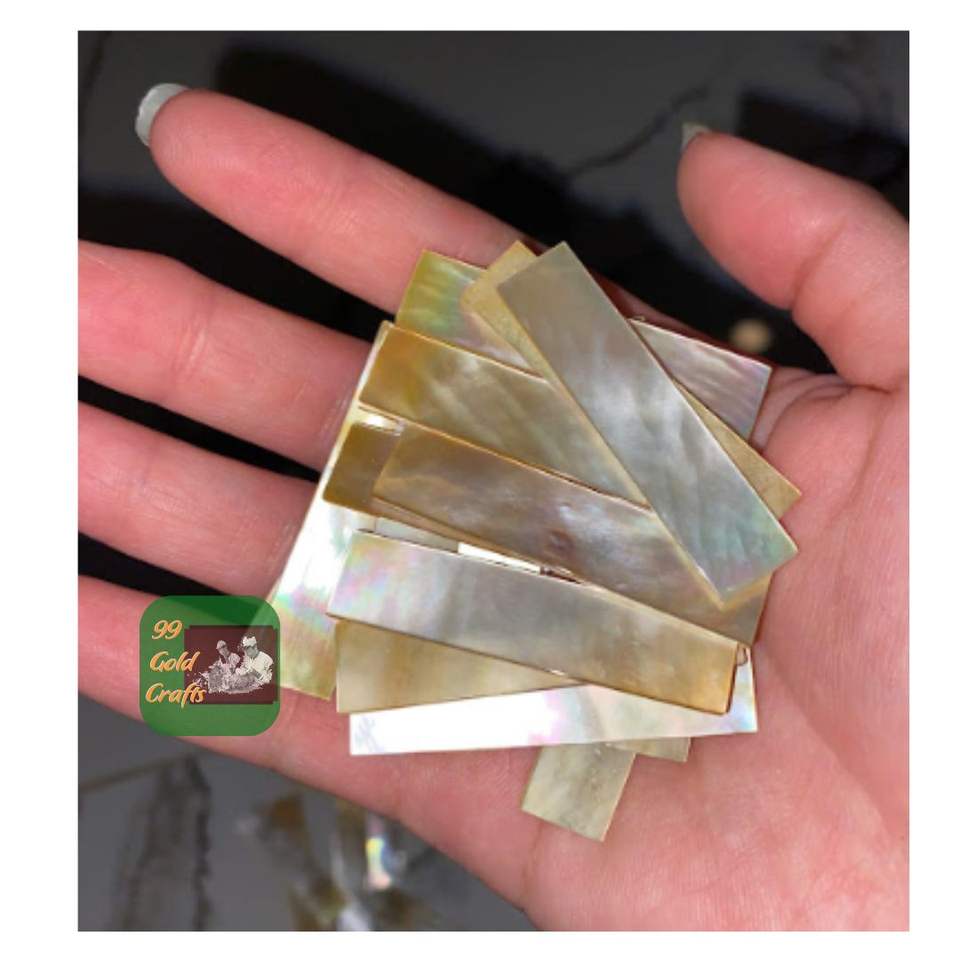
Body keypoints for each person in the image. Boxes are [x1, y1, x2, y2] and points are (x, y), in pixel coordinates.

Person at [78, 88, 907, 929]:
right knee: (253, 654)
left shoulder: (731, 561)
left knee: (267, 655)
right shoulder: (722, 560)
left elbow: (717, 567)